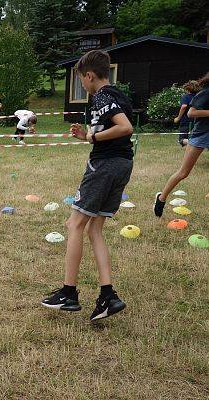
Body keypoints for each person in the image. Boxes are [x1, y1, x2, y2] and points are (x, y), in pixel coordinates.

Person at [41, 50, 134, 322]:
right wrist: (87, 135)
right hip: (122, 164)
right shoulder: (118, 95)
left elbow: (124, 127)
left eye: (81, 79)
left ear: (90, 76)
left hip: (104, 166)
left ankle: (69, 293)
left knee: (74, 225)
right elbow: (112, 133)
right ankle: (108, 296)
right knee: (95, 229)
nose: (82, 84)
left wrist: (93, 138)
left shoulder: (101, 96)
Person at [153, 71, 209, 217]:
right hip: (202, 134)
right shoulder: (205, 93)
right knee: (183, 172)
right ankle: (161, 198)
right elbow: (191, 113)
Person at [174, 80, 199, 147]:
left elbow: (184, 106)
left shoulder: (186, 96)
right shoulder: (199, 96)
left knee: (181, 139)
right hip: (197, 120)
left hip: (186, 120)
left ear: (187, 88)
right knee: (195, 136)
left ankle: (197, 144)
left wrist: (178, 118)